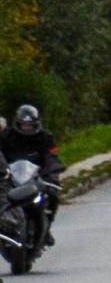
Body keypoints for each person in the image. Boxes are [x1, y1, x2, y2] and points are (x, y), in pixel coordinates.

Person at [2, 105, 63, 246]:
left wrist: (52, 176)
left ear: (36, 124)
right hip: (11, 178)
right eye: (24, 125)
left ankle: (46, 229)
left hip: (36, 179)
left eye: (30, 125)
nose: (27, 128)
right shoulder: (6, 137)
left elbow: (52, 158)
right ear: (17, 124)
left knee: (52, 197)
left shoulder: (45, 138)